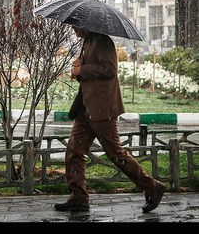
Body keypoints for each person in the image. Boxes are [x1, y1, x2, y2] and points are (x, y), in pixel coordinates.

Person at [54, 27, 166, 213]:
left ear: (84, 23)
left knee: (116, 154)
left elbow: (110, 70)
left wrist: (83, 68)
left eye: (75, 24)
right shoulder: (88, 41)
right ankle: (78, 197)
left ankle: (152, 187)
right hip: (85, 108)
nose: (73, 28)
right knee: (74, 151)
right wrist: (78, 72)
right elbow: (92, 75)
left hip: (102, 109)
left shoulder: (103, 41)